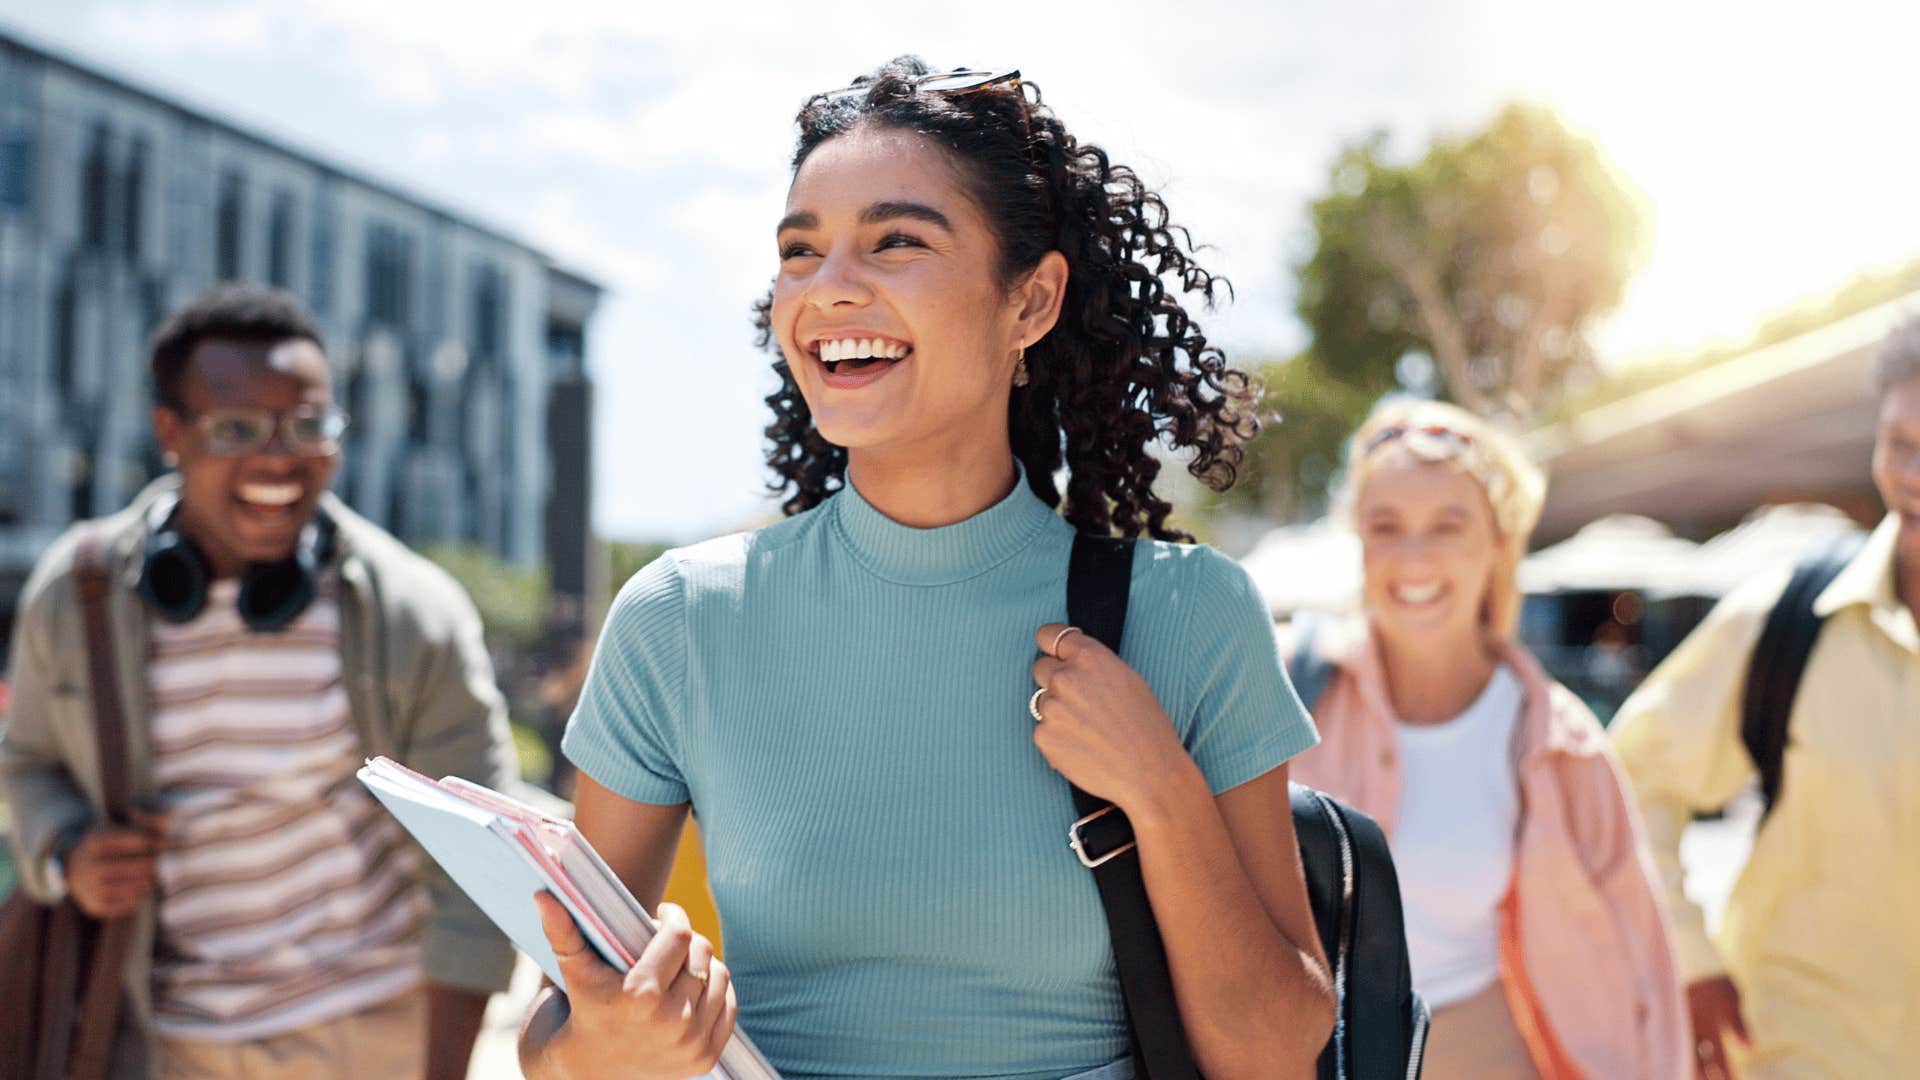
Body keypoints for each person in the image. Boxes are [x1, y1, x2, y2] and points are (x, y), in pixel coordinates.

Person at [517, 59, 1334, 1080]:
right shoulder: (681, 618)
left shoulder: (1190, 612)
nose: (829, 287)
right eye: (799, 251)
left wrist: (1160, 792)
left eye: (897, 240)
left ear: (1030, 301)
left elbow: (1273, 1055)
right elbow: (553, 1042)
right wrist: (606, 1047)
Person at [0, 285, 518, 1079]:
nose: (279, 457)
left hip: (371, 1036)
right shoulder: (77, 596)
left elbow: (477, 871)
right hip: (159, 1041)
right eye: (237, 428)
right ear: (170, 433)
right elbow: (27, 762)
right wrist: (68, 850)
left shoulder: (417, 613)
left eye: (308, 425)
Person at [1287, 400, 1689, 1079]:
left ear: (1498, 544)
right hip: (1306, 1056)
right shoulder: (1286, 695)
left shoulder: (1559, 742)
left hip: (1488, 1053)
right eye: (1387, 526)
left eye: (1448, 525)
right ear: (1359, 540)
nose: (1415, 557)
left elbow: (1640, 956)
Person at [1610, 315, 1920, 1079]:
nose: (1914, 473)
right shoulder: (1783, 619)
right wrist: (1688, 959)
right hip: (1795, 1051)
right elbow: (1627, 776)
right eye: (1901, 443)